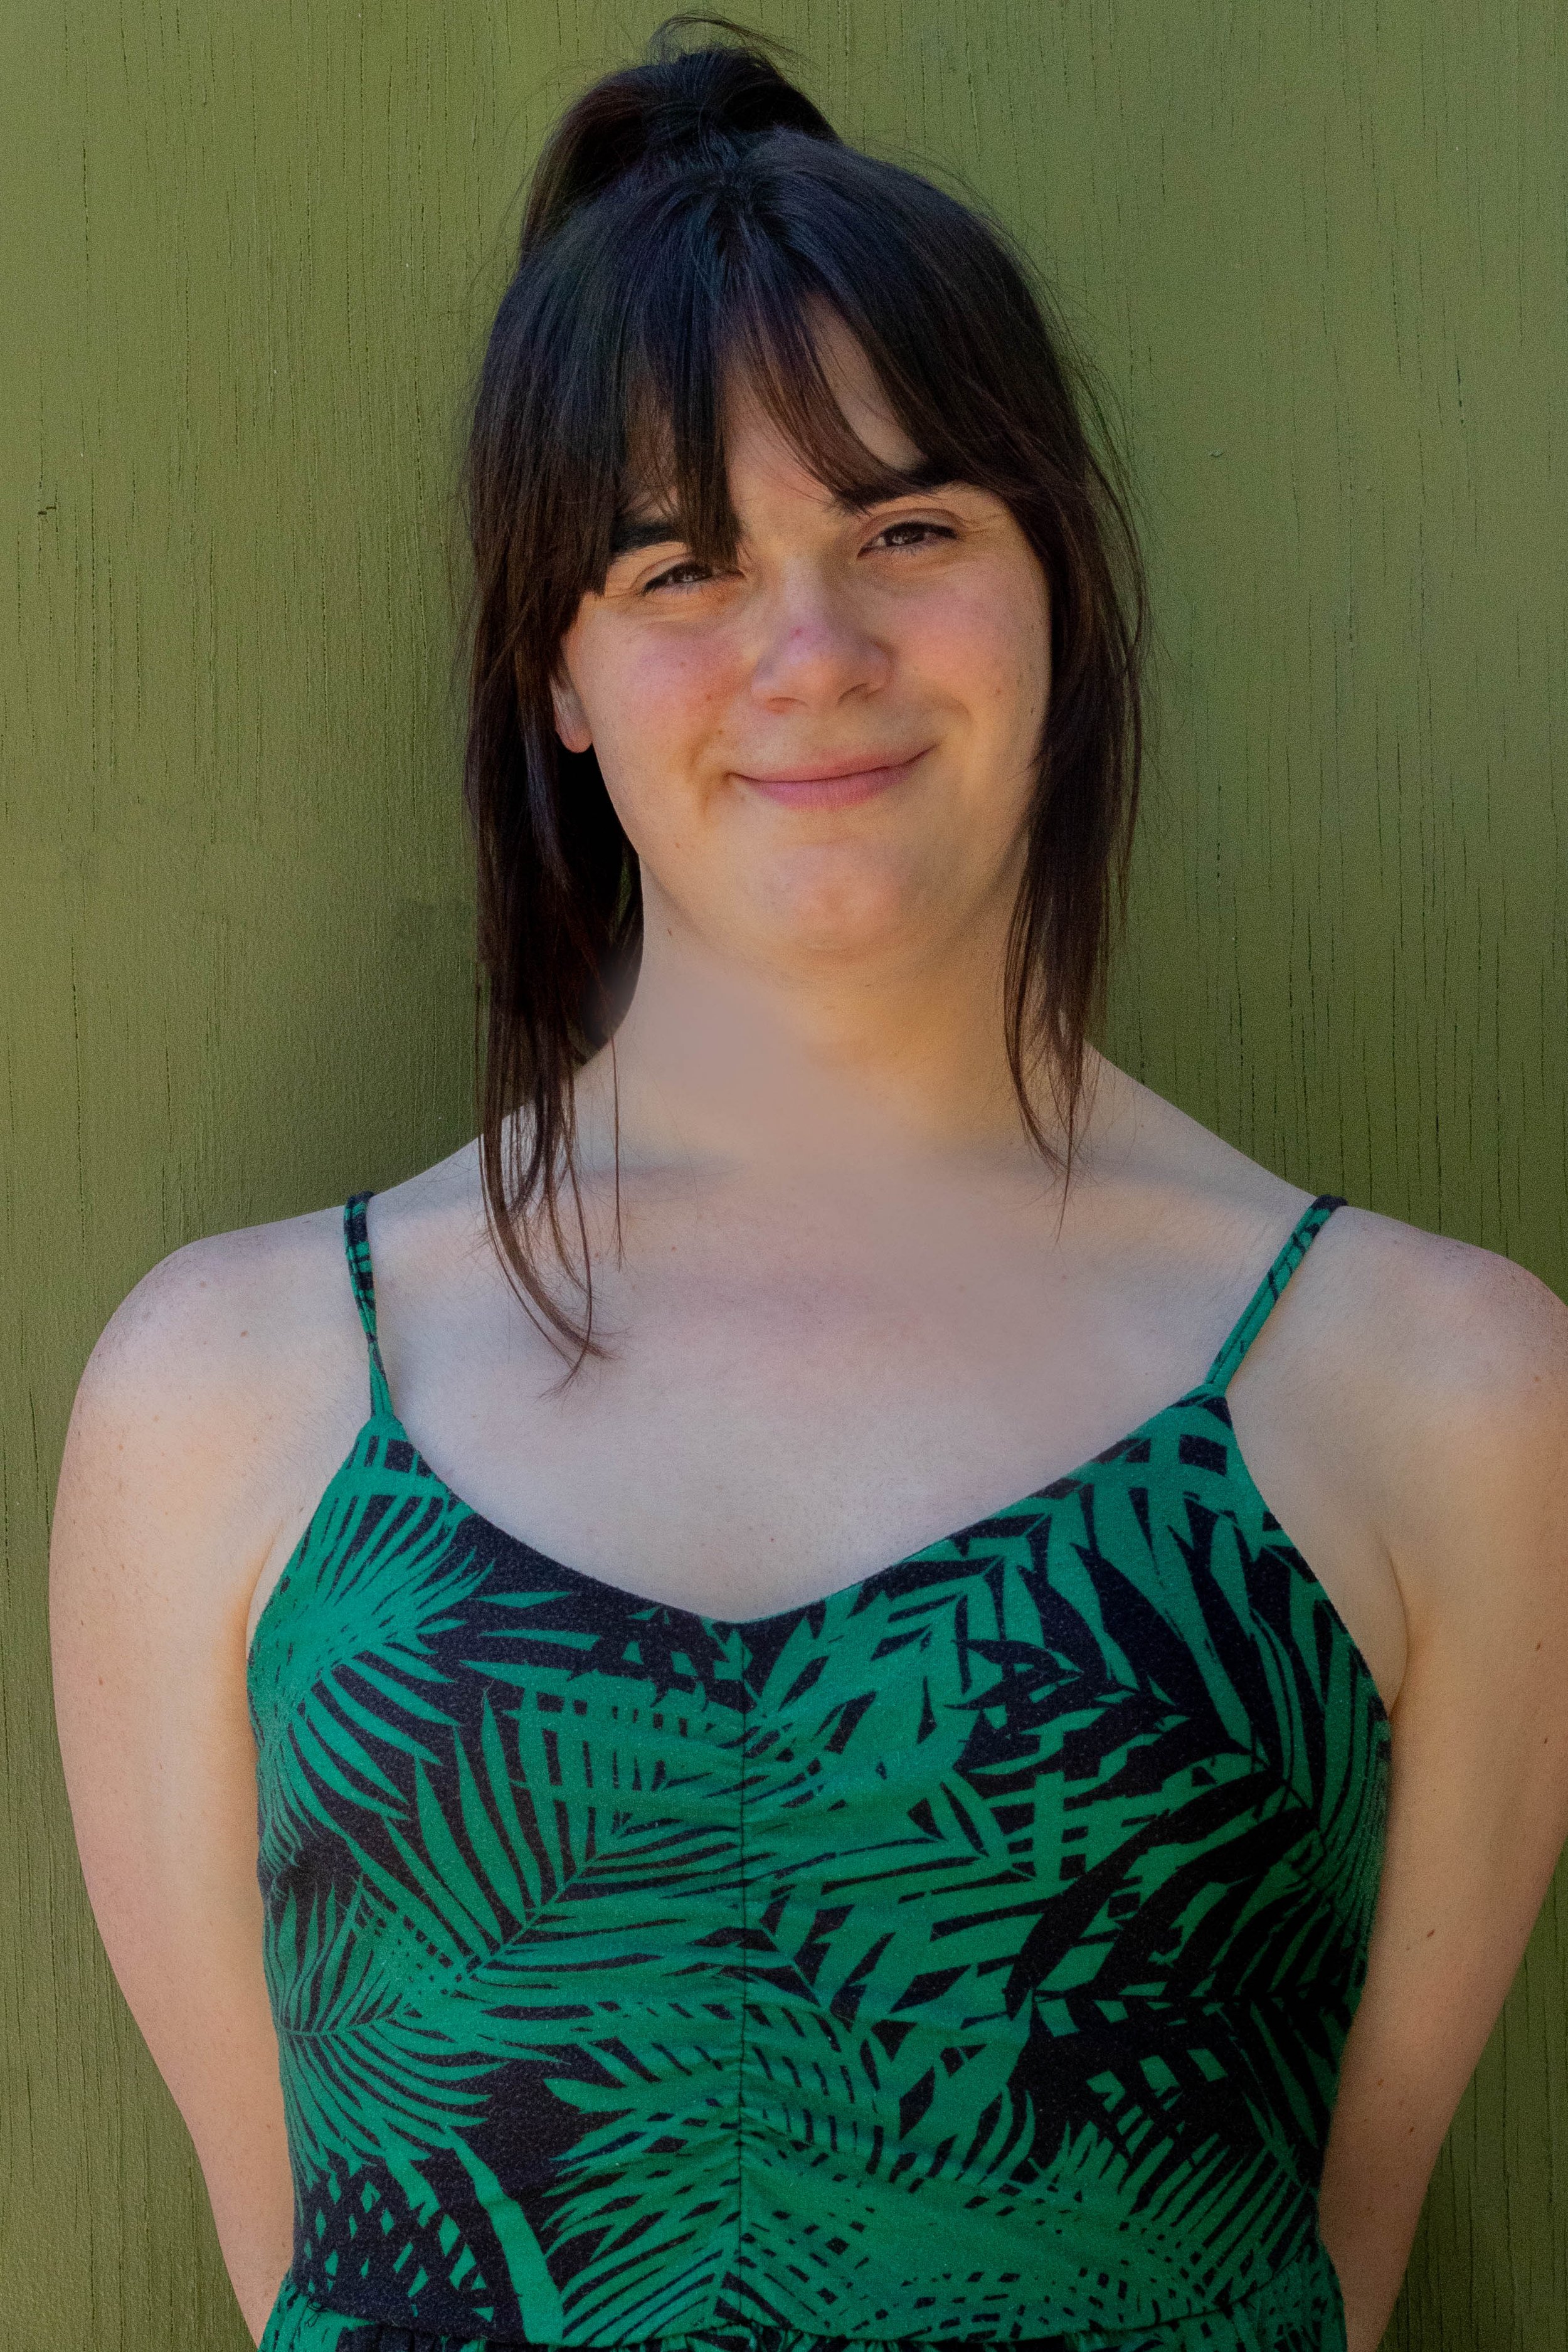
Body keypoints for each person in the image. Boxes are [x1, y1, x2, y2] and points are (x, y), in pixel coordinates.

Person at [48, 21, 1568, 2352]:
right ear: (554, 672)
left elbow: (1327, 2273)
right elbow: (304, 2279)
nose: (810, 654)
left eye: (909, 531)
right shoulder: (225, 1403)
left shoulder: (1446, 1398)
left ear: (1055, 588)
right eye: (675, 564)